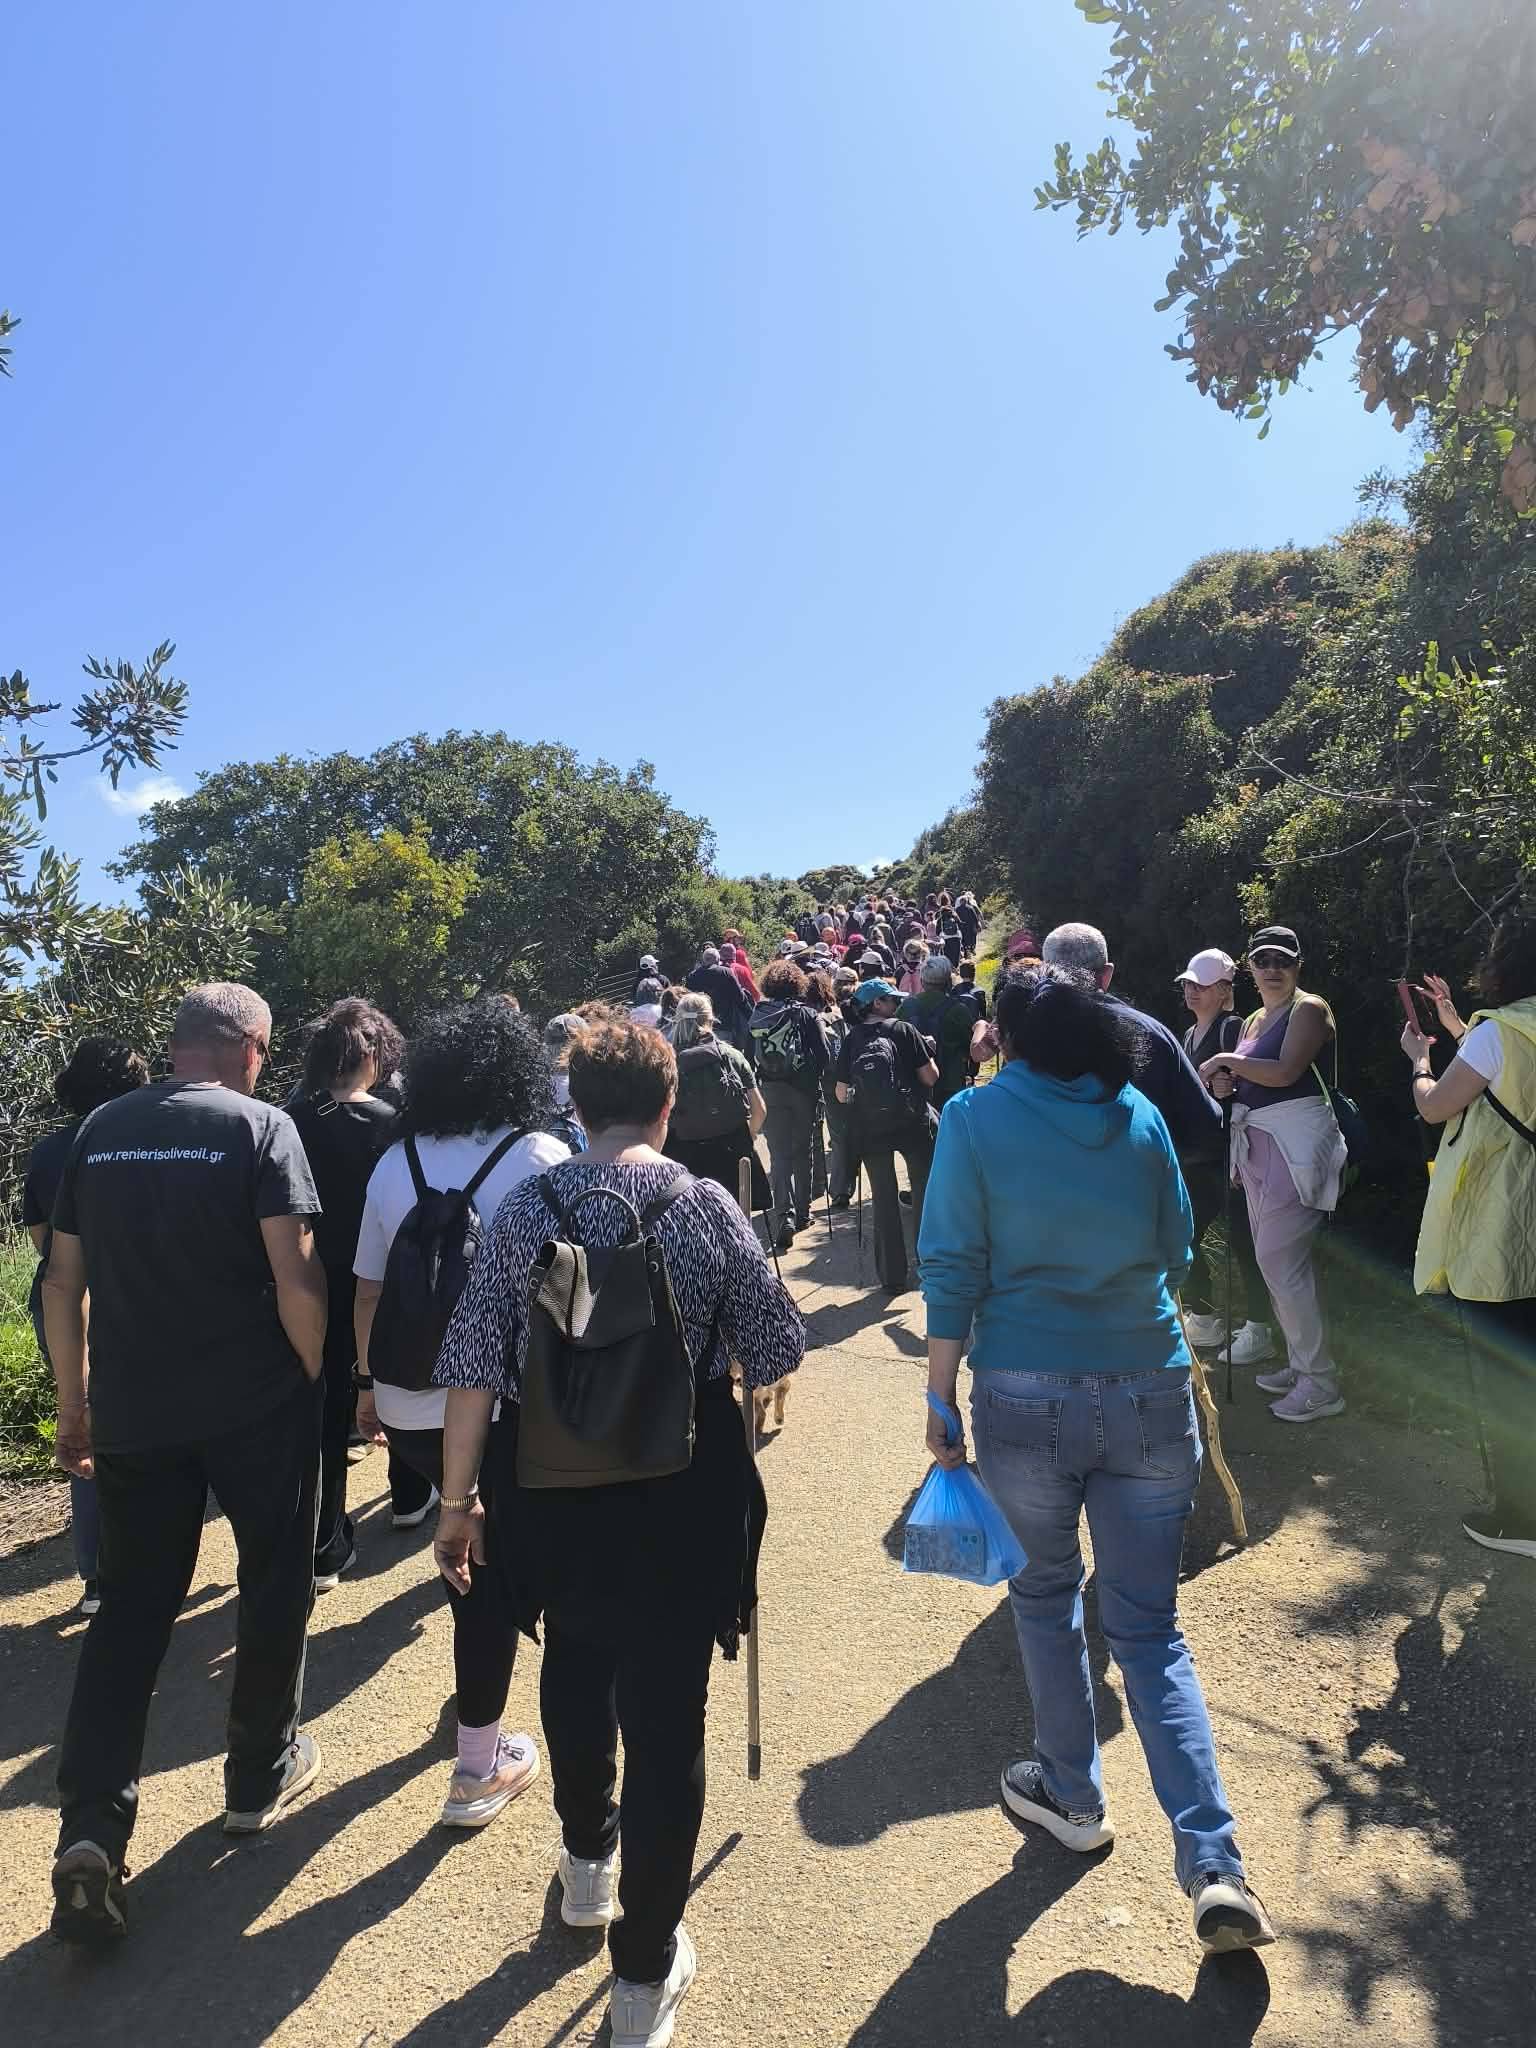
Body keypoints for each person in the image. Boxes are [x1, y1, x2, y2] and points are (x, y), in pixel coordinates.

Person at [432, 1020, 804, 2047]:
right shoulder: (705, 1203)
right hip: (682, 1490)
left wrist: (458, 1503)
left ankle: (588, 1861)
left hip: (549, 1487)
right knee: (668, 1712)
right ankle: (641, 1974)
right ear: (668, 1105)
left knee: (575, 1658)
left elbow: (474, 1363)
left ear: (577, 1106)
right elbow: (777, 1343)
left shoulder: (526, 1209)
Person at [919, 965, 1277, 1955]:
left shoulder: (973, 1118)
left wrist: (939, 1395)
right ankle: (1215, 1864)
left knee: (1045, 1599)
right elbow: (1175, 1246)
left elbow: (951, 1264)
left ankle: (1072, 1795)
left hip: (1024, 1387)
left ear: (1007, 1038)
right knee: (1150, 1629)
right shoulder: (1140, 1115)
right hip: (1150, 1382)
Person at [43, 984, 329, 1944]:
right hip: (255, 1408)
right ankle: (256, 1775)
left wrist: (74, 1406)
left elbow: (63, 1282)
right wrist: (317, 1375)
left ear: (176, 1049)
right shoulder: (262, 1127)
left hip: (135, 1413)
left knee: (130, 1610)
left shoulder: (99, 1133)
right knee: (274, 1576)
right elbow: (296, 1274)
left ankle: (91, 1829)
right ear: (248, 1047)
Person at [353, 998, 570, 1826]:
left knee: (471, 1562)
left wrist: (367, 1386)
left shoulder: (393, 1162)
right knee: (494, 1571)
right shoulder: (540, 1154)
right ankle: (477, 1764)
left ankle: (482, 1695)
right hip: (515, 1405)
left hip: (411, 1404)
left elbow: (367, 1291)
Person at [1402, 912, 1536, 1557]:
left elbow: (1436, 1106)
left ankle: (1520, 1519)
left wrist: (1420, 1062)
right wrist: (1459, 1026)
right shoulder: (1499, 1035)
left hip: (1504, 1222)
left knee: (1507, 1372)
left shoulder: (1499, 1033)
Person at [288, 999, 432, 1591]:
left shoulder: (288, 1120)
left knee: (323, 1407)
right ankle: (410, 1493)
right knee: (394, 1380)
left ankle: (325, 1543)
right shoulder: (395, 1122)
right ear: (374, 1055)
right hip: (384, 1278)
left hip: (310, 1281)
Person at [23, 1037, 151, 1617]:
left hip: (62, 1303)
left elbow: (44, 1245)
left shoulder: (48, 1151)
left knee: (84, 1425)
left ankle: (97, 1576)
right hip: (135, 1300)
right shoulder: (144, 1142)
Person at [1198, 926, 1347, 1424]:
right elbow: (1248, 1081)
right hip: (1259, 1148)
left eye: (1282, 960)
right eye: (1263, 960)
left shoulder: (1310, 1008)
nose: (1272, 969)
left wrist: (1225, 1061)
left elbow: (1284, 1072)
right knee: (1277, 1264)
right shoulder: (1254, 1019)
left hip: (1295, 1147)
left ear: (1298, 965)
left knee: (1279, 1261)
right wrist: (1226, 1084)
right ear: (1250, 967)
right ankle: (1302, 1366)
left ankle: (1320, 1383)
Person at [1041, 924, 1220, 1161]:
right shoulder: (1150, 1033)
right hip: (1136, 1173)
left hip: (1051, 1174)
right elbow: (1204, 1123)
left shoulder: (1025, 1036)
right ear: (1107, 974)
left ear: (1044, 971)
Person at [1174, 951, 1274, 1365]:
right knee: (1185, 1235)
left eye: (1202, 985)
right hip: (1200, 1156)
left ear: (1224, 990)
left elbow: (1251, 1085)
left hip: (1231, 1155)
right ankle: (1204, 1316)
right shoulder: (1188, 1035)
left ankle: (1258, 1328)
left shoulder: (1233, 1028)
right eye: (1188, 984)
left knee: (1244, 1243)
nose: (1192, 991)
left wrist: (1229, 1091)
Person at [836, 980, 939, 1293]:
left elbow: (840, 1093)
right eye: (892, 999)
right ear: (877, 1004)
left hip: (871, 1129)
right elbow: (930, 1076)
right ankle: (930, 1264)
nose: (897, 1004)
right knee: (923, 1190)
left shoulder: (852, 1038)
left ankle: (892, 1277)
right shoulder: (904, 1030)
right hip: (912, 1123)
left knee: (883, 1198)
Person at [749, 960, 832, 1251]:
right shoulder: (806, 1014)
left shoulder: (758, 1014)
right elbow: (824, 1055)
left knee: (778, 1154)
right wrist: (811, 1077)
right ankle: (803, 1214)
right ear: (798, 983)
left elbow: (749, 1054)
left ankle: (783, 1214)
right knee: (802, 1151)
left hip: (770, 1090)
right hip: (802, 1091)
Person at [664, 991, 769, 1208]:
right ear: (711, 1019)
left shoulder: (667, 1062)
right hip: (732, 1151)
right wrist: (747, 1135)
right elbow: (759, 1110)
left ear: (677, 1019)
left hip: (686, 1160)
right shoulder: (730, 1055)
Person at [899, 953, 978, 1112]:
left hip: (916, 1081)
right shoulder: (959, 1010)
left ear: (922, 980)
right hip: (950, 1083)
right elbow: (971, 1047)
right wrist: (971, 1073)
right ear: (948, 981)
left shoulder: (906, 1007)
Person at [685, 946, 753, 1056]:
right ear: (718, 960)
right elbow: (740, 998)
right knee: (725, 1056)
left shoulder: (692, 975)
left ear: (703, 960)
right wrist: (750, 1015)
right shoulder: (726, 972)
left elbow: (687, 1002)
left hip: (699, 1026)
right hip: (723, 1024)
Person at [718, 941, 761, 1008]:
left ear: (720, 955)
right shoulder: (742, 969)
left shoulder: (716, 969)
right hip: (738, 1009)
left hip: (719, 1008)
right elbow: (755, 994)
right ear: (734, 955)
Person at [936, 893, 964, 969]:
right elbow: (960, 924)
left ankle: (948, 970)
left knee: (946, 956)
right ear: (948, 900)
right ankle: (956, 968)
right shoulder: (953, 912)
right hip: (956, 937)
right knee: (955, 955)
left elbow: (937, 931)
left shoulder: (939, 913)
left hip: (945, 939)